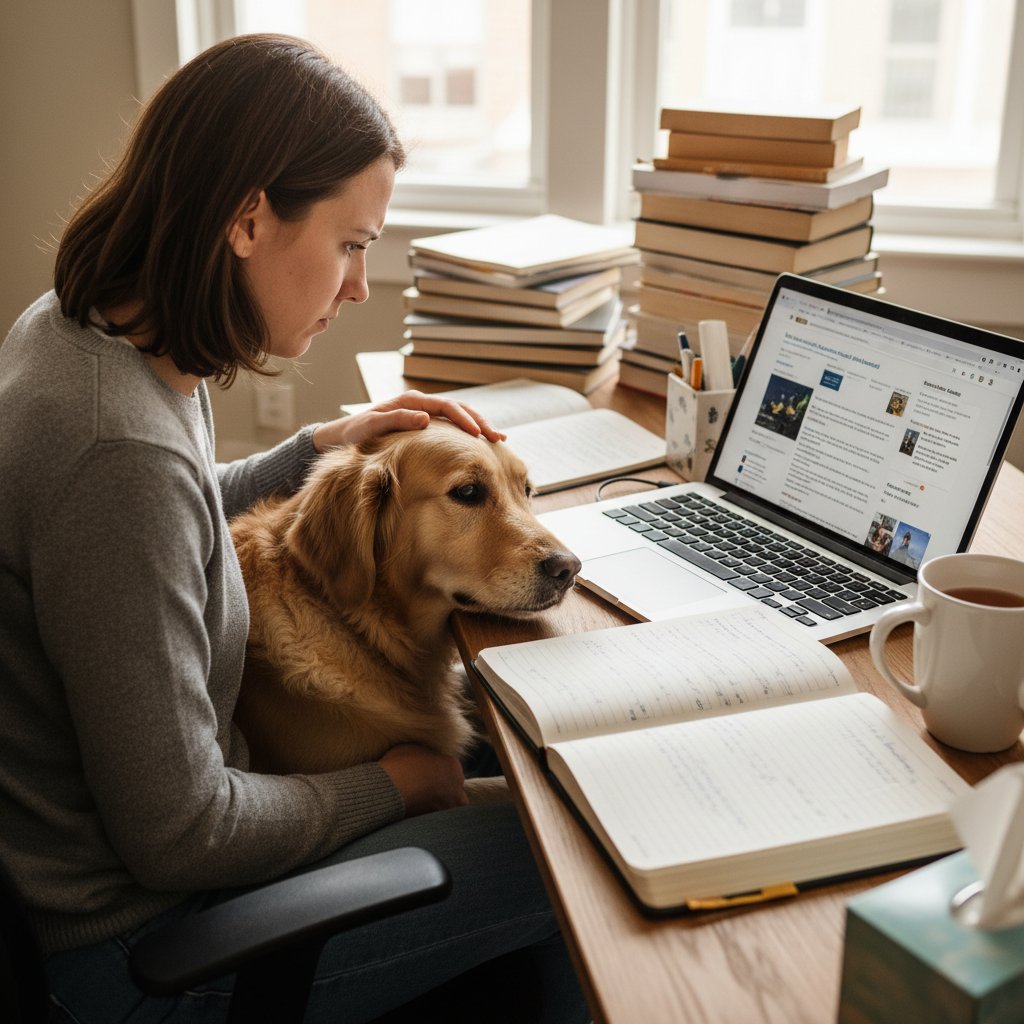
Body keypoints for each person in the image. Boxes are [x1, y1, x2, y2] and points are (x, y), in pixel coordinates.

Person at [0, 33, 587, 1023]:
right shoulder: (115, 448)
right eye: (352, 244)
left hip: (164, 887)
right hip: (149, 954)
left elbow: (161, 528)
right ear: (246, 220)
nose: (359, 285)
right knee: (586, 851)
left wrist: (319, 447)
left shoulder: (85, 329)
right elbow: (180, 833)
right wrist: (395, 786)